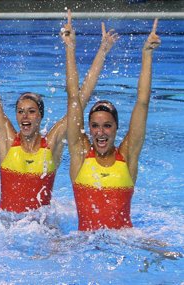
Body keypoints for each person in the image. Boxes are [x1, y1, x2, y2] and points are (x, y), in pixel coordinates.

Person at [0, 9, 118, 213]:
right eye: (20, 111)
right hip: (3, 224)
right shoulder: (8, 141)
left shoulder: (51, 145)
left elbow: (79, 100)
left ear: (40, 116)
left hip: (39, 226)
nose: (25, 116)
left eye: (31, 112)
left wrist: (99, 51)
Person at [67, 19, 160, 231]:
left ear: (116, 128)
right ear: (88, 128)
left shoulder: (127, 157)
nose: (100, 132)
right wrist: (70, 48)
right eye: (95, 126)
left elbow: (143, 102)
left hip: (125, 241)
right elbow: (73, 98)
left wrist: (147, 54)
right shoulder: (80, 155)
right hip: (83, 242)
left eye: (107, 126)